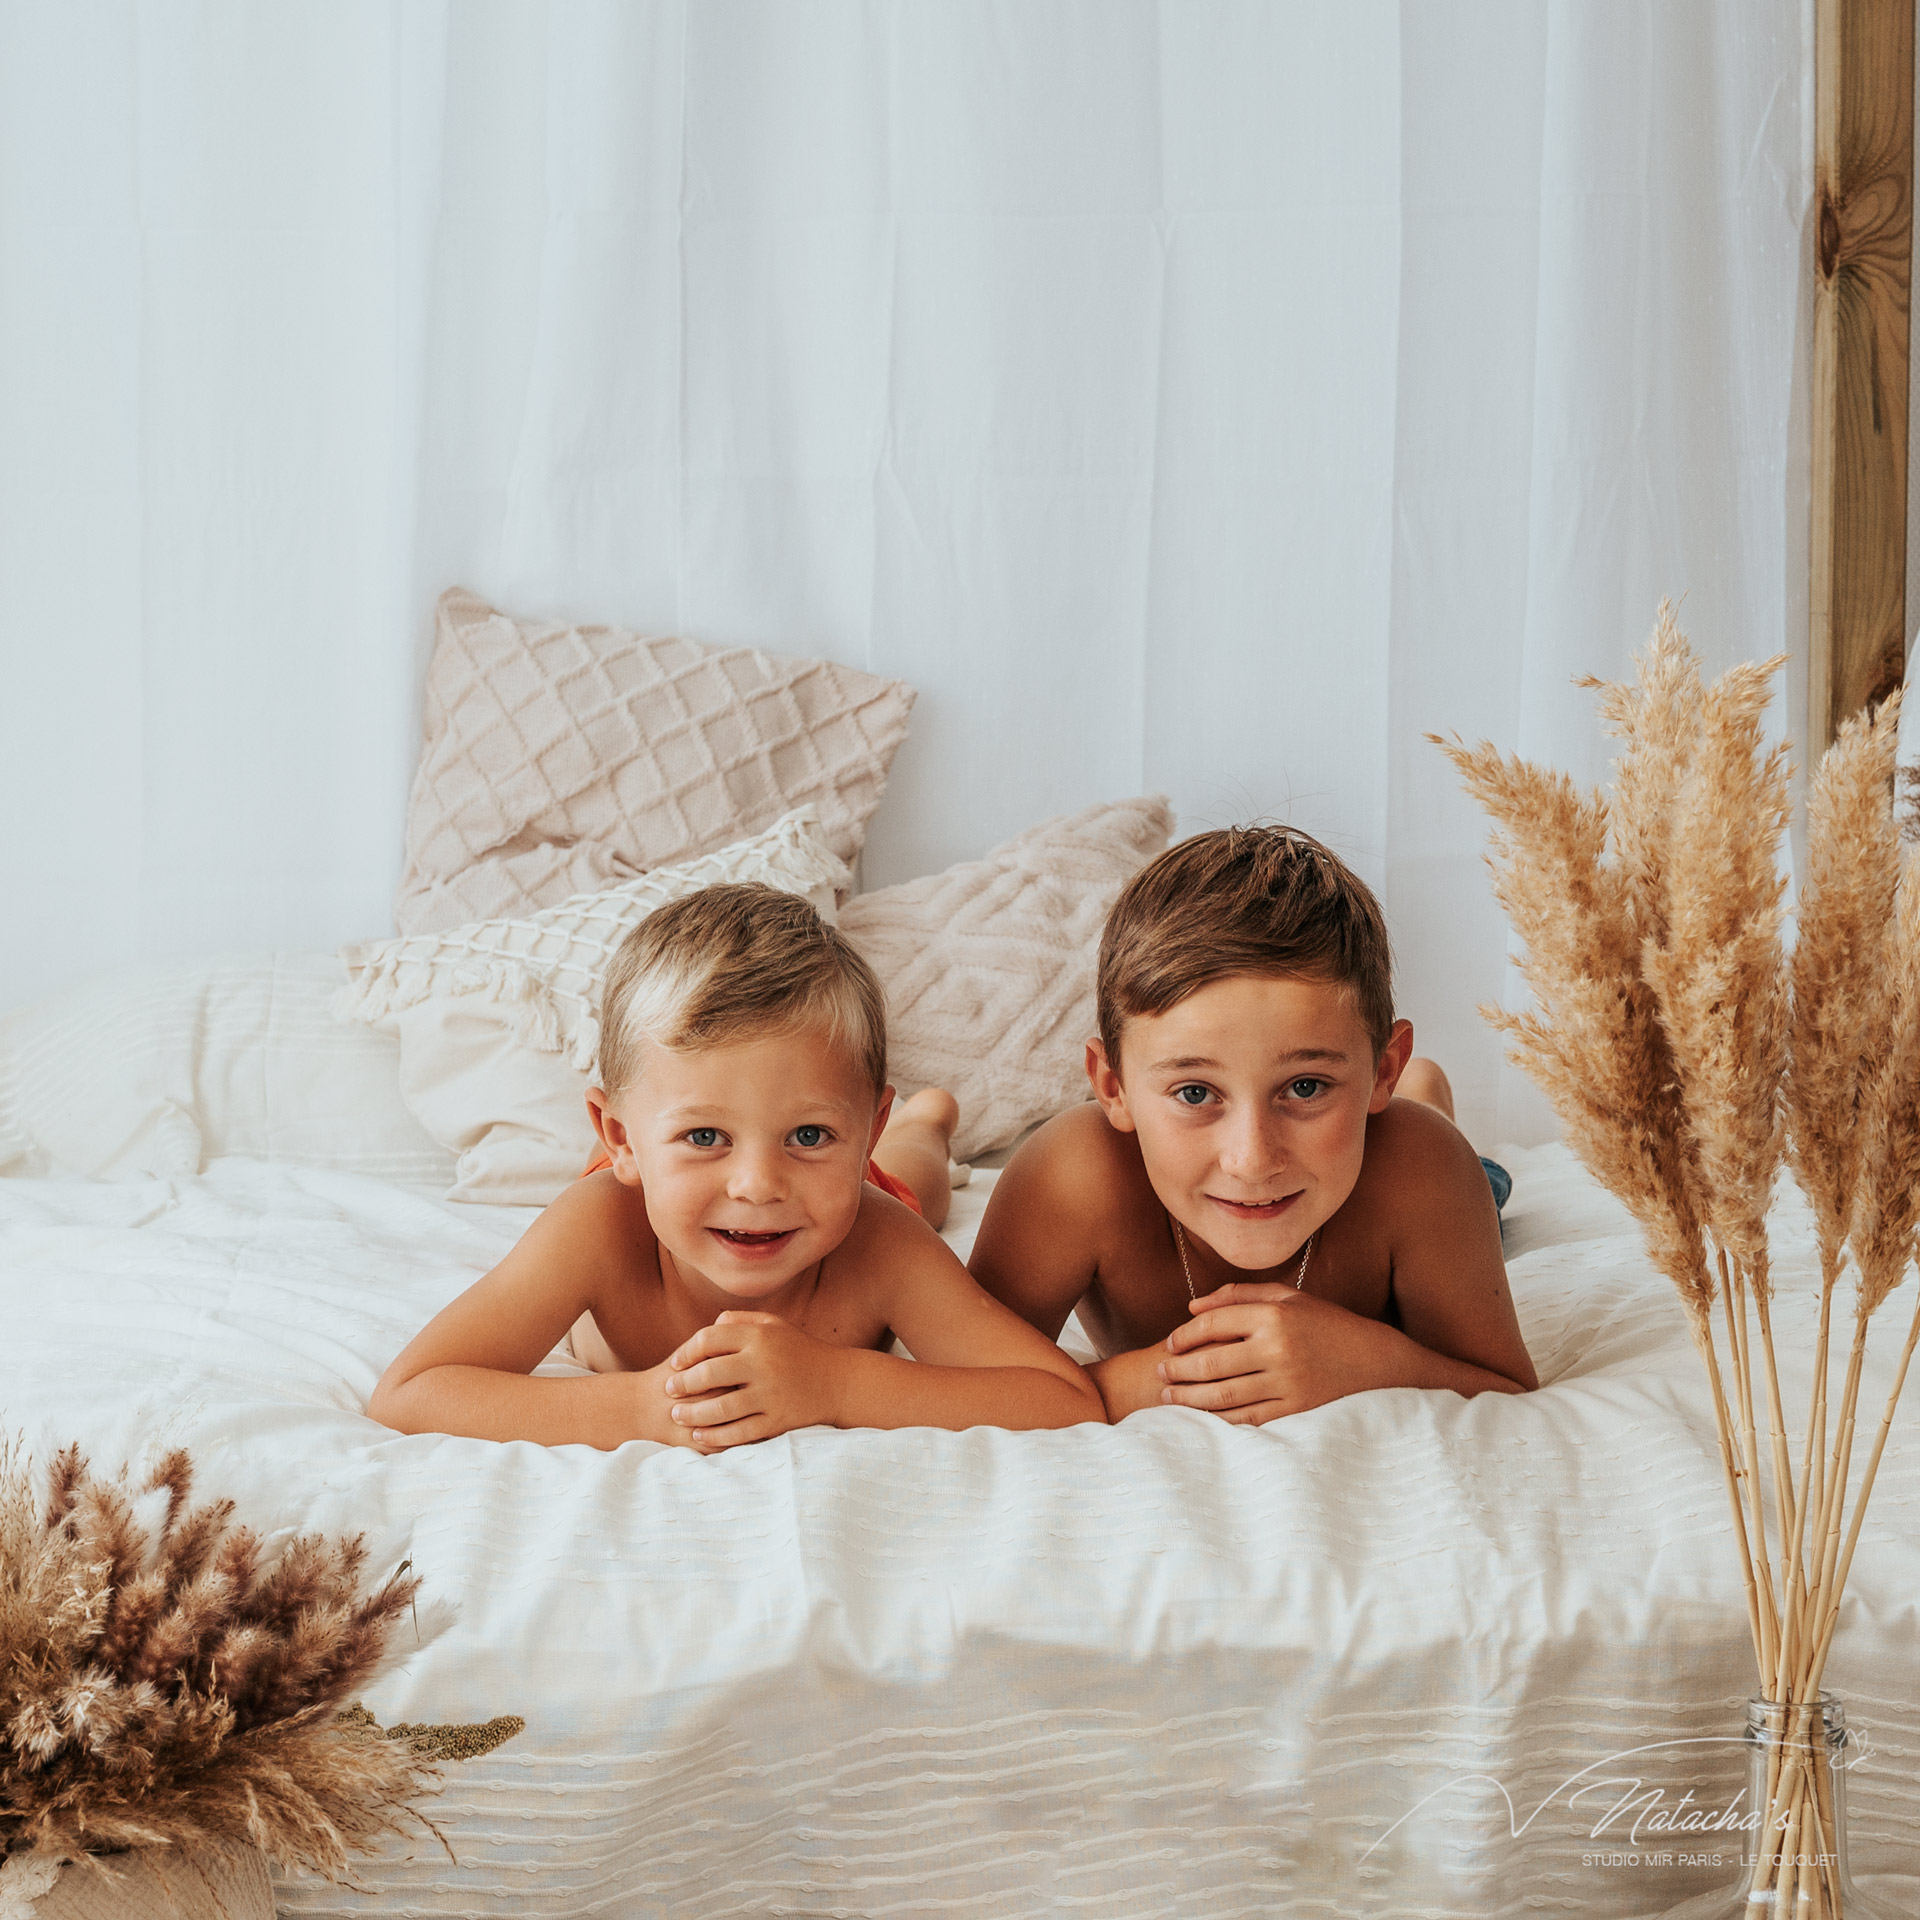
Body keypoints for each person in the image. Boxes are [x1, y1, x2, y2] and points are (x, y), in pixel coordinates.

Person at [370, 884, 1104, 1450]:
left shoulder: (878, 1238)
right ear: (619, 1136)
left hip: (870, 1184)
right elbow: (410, 1392)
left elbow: (1059, 1398)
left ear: (862, 1129)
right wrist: (644, 1406)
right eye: (705, 1137)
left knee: (914, 1183)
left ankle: (922, 1124)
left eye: (810, 1133)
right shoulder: (597, 1226)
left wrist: (835, 1385)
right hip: (648, 1188)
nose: (757, 1184)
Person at [969, 826, 1538, 1424]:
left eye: (1306, 1087)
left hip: (1425, 1161)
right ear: (1113, 1087)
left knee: (1466, 1165)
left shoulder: (1423, 1170)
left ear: (1380, 1072)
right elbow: (969, 1383)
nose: (1252, 1158)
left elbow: (1506, 1390)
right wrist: (1170, 1377)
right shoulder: (1071, 1177)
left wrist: (1373, 1362)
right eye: (1195, 1093)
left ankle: (1427, 1093)